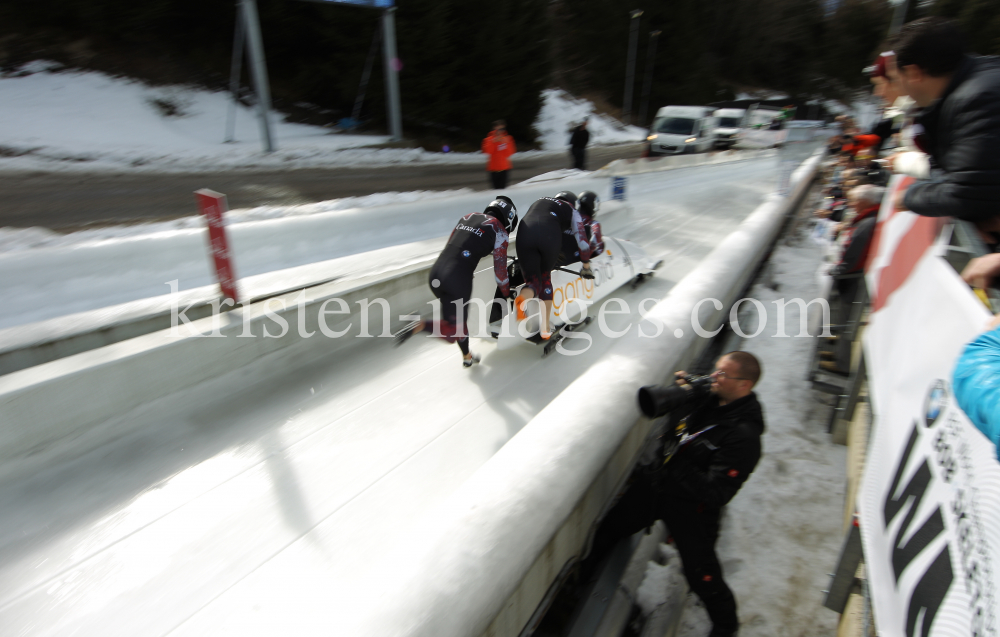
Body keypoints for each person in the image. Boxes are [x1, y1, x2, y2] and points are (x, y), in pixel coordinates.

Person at [592, 352, 765, 637]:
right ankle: (584, 579)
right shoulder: (710, 397)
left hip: (691, 508)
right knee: (611, 528)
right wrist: (682, 396)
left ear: (744, 385)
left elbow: (717, 492)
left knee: (703, 576)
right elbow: (679, 427)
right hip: (659, 485)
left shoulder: (744, 437)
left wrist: (678, 459)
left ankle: (725, 626)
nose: (714, 378)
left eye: (722, 375)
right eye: (715, 370)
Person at [888, 18, 1000, 229]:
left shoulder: (977, 99)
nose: (899, 90)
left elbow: (969, 195)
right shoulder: (979, 79)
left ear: (913, 73)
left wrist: (908, 197)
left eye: (896, 79)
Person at [395, 196, 518, 367]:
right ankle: (419, 324)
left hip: (436, 273)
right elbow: (500, 273)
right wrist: (506, 292)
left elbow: (454, 245)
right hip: (457, 279)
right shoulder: (500, 232)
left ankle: (467, 356)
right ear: (509, 219)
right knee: (452, 331)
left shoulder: (467, 217)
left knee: (458, 321)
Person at [514, 191, 594, 339]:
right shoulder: (572, 210)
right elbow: (582, 242)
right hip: (548, 234)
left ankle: (522, 300)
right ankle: (545, 328)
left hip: (524, 232)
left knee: (532, 282)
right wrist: (586, 267)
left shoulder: (540, 199)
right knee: (545, 279)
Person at [556, 190, 604, 266]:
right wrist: (585, 257)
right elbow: (596, 237)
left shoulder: (564, 218)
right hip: (575, 265)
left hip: (555, 262)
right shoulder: (593, 224)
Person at [481, 120, 516, 190]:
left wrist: (506, 144)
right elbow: (488, 152)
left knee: (503, 190)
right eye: (498, 129)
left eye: (503, 129)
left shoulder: (508, 138)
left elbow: (510, 153)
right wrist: (493, 142)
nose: (501, 131)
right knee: (495, 190)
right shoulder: (488, 139)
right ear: (494, 129)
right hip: (493, 169)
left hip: (504, 169)